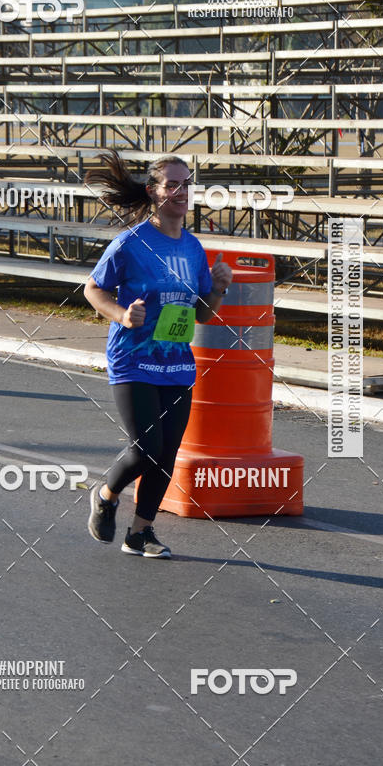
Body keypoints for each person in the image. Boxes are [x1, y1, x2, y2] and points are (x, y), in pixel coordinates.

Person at [83, 150, 232, 559]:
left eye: (187, 184)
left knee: (166, 452)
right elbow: (93, 289)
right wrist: (122, 315)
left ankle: (141, 533)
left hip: (177, 363)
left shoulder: (193, 248)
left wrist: (217, 288)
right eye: (173, 184)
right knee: (146, 448)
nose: (182, 192)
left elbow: (202, 313)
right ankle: (107, 493)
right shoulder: (131, 244)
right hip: (133, 359)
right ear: (154, 191)